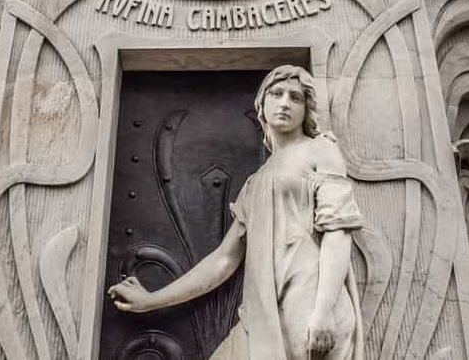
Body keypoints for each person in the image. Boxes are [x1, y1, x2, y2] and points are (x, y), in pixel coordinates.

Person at [109, 65, 365, 359]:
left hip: (307, 302)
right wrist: (152, 300)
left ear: (307, 109)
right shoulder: (254, 185)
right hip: (261, 312)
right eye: (277, 93)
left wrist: (323, 310)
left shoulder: (321, 150)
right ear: (262, 103)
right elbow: (223, 260)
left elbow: (337, 232)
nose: (284, 102)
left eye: (296, 97)